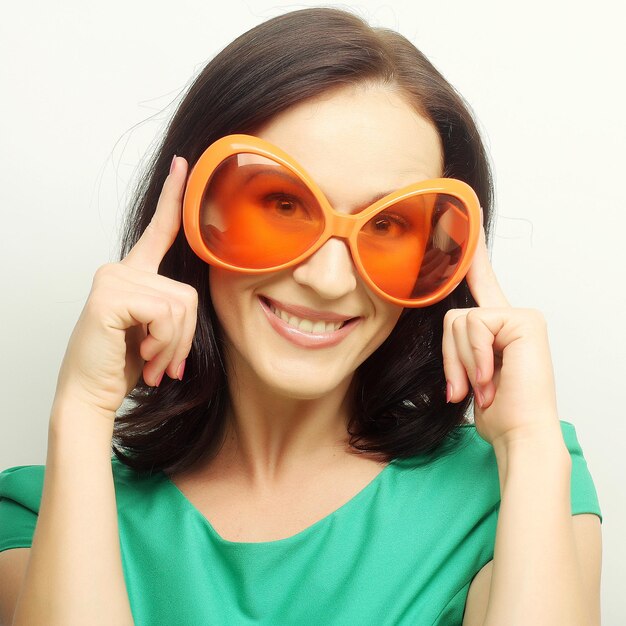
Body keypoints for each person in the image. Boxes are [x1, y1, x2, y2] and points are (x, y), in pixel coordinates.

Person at [0, 7, 602, 626]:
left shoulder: (522, 486)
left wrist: (530, 443)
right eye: (283, 203)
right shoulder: (39, 514)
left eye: (389, 223)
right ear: (192, 209)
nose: (329, 278)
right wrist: (81, 410)